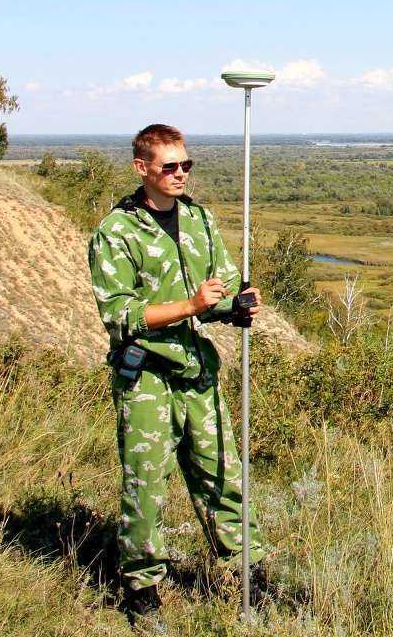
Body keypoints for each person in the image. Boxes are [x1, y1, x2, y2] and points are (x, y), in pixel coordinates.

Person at [88, 123, 273, 630]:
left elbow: (220, 292)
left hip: (197, 370)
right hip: (146, 374)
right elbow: (121, 315)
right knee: (146, 481)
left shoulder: (199, 220)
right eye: (169, 166)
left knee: (221, 474)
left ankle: (247, 571)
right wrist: (190, 305)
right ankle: (142, 588)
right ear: (141, 168)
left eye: (185, 165)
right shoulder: (116, 232)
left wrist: (236, 305)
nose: (179, 174)